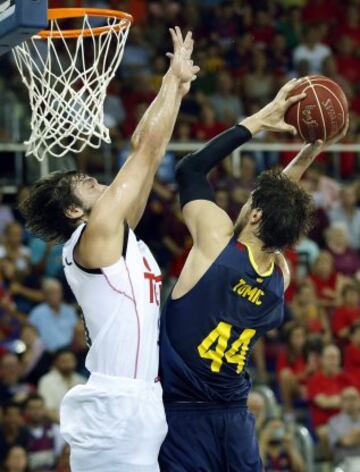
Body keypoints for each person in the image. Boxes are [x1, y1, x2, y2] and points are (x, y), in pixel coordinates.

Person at [20, 27, 199, 472]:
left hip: (137, 400)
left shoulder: (116, 234)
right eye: (89, 185)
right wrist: (169, 81)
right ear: (72, 211)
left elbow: (153, 155)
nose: (101, 183)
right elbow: (140, 148)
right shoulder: (97, 234)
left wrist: (177, 89)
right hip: (117, 404)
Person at [159, 78, 339, 471]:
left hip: (184, 418)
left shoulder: (215, 244)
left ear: (255, 214)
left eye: (252, 201)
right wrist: (311, 150)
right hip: (236, 420)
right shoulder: (281, 277)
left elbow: (190, 170)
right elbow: (278, 210)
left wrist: (259, 119)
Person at [29, 279, 77, 353]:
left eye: (57, 292)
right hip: (48, 353)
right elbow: (33, 335)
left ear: (62, 293)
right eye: (52, 293)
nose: (55, 296)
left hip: (70, 351)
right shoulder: (37, 313)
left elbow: (76, 333)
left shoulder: (69, 311)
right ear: (45, 295)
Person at [37, 349, 86, 423]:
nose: (68, 364)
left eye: (70, 361)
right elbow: (48, 409)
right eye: (64, 361)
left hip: (81, 424)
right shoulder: (46, 381)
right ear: (55, 362)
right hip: (56, 425)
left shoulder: (82, 381)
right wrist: (66, 425)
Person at [24, 394, 65, 471]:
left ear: (44, 409)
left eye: (39, 408)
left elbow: (60, 456)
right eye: (32, 408)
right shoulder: (22, 432)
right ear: (26, 410)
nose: (36, 412)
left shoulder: (54, 429)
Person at [328, 386, 360, 465]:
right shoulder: (334, 421)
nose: (350, 402)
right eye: (346, 399)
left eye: (353, 398)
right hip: (346, 462)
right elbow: (347, 441)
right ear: (341, 402)